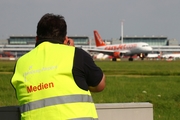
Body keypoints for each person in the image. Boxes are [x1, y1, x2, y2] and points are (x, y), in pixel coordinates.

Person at [11, 13, 105, 120]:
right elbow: (99, 85)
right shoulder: (76, 54)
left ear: (36, 38)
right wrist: (71, 50)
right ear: (65, 39)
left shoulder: (21, 63)